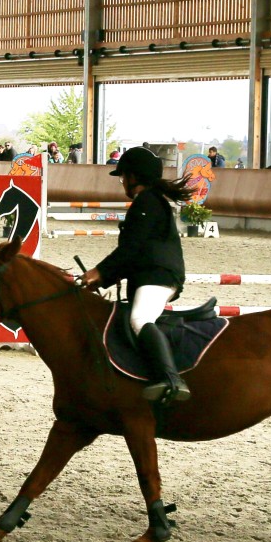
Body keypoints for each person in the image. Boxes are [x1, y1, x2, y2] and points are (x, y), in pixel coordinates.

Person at [79, 146, 192, 406]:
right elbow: (132, 253)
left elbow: (131, 249)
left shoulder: (147, 202)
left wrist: (100, 272)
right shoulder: (151, 200)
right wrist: (104, 277)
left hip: (158, 275)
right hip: (151, 273)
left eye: (123, 177)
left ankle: (171, 379)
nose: (122, 182)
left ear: (133, 176)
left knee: (140, 319)